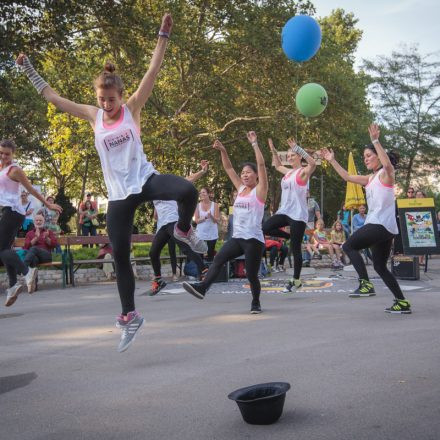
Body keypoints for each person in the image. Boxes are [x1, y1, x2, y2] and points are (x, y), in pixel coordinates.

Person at [17, 13, 207, 352]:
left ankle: (182, 230)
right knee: (119, 255)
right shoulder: (93, 115)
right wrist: (29, 69)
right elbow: (54, 99)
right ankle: (130, 316)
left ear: (121, 96)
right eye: (102, 99)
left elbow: (152, 71)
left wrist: (163, 34)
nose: (106, 105)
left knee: (187, 191)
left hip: (145, 180)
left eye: (111, 100)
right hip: (118, 196)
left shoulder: (133, 107)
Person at [321, 124, 411, 314]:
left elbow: (387, 164)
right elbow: (346, 176)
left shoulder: (386, 174)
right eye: (364, 157)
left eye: (369, 155)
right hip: (384, 229)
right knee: (379, 266)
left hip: (379, 224)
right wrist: (332, 160)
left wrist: (376, 141)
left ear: (378, 155)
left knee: (347, 246)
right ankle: (402, 302)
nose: (366, 159)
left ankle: (365, 284)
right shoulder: (370, 179)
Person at [183, 133, 268, 314]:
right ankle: (202, 288)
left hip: (254, 240)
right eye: (243, 172)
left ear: (256, 176)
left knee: (251, 275)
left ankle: (256, 302)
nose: (244, 175)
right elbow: (229, 168)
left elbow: (261, 165)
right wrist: (223, 150)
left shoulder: (260, 191)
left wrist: (254, 143)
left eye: (248, 172)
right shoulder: (241, 188)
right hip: (237, 238)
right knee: (219, 259)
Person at [0, 139, 62, 307]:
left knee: (1, 249)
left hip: (13, 212)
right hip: (8, 212)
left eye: (7, 154)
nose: (4, 156)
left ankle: (27, 272)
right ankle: (13, 286)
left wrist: (47, 204)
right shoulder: (2, 168)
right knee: (6, 250)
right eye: (1, 153)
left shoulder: (15, 170)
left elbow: (31, 189)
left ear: (13, 154)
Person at [263, 137, 316, 292]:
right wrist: (273, 149)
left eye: (293, 155)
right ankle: (287, 237)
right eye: (289, 155)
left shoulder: (303, 172)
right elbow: (278, 164)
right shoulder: (288, 172)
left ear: (299, 156)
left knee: (296, 249)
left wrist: (297, 147)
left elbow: (312, 163)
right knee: (265, 227)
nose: (290, 157)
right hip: (285, 212)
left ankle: (296, 280)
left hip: (298, 216)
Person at [149, 161, 209, 295]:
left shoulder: (165, 183)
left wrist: (202, 172)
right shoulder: (149, 190)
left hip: (173, 221)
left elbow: (187, 180)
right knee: (153, 252)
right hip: (163, 225)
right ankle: (158, 280)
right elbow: (156, 212)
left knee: (185, 247)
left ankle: (204, 271)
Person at [194, 187, 220, 261]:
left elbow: (217, 221)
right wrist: (205, 217)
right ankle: (201, 271)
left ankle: (210, 271)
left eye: (204, 192)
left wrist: (211, 216)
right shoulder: (197, 205)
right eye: (201, 193)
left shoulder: (215, 205)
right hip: (200, 233)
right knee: (200, 254)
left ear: (208, 194)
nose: (202, 194)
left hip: (212, 233)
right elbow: (196, 221)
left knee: (210, 254)